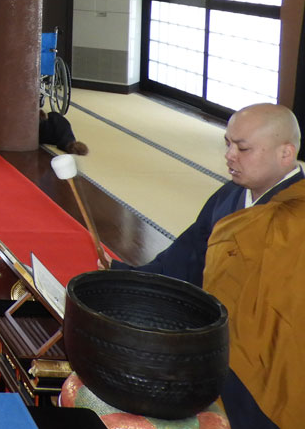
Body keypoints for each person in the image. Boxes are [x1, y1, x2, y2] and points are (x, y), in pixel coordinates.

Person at [111, 103, 303, 429]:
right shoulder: (229, 196)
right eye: (227, 144)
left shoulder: (298, 218)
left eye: (242, 148)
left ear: (286, 153)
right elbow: (185, 258)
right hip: (214, 344)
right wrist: (124, 281)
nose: (229, 156)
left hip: (276, 356)